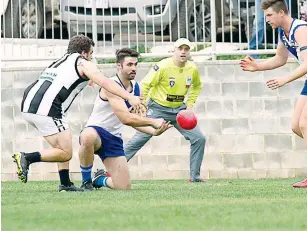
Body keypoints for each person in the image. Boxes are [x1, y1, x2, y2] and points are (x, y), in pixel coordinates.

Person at [240, 0, 307, 188]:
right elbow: (279, 59)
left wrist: (284, 80)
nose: (267, 19)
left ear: (282, 12)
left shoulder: (301, 30)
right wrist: (258, 66)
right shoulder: (283, 32)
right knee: (297, 126)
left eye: (270, 15)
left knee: (306, 124)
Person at [13, 35, 143, 192]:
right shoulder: (82, 62)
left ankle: (65, 184)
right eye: (91, 54)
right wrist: (129, 96)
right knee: (65, 152)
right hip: (48, 108)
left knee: (59, 144)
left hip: (28, 104)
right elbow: (106, 82)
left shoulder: (62, 60)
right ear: (84, 53)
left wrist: (88, 78)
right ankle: (27, 158)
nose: (92, 58)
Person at [78, 48, 172, 191]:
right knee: (87, 136)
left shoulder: (136, 88)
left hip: (114, 138)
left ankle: (99, 180)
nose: (133, 68)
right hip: (96, 132)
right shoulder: (111, 85)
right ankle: (86, 182)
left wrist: (153, 132)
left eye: (135, 64)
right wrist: (153, 122)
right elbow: (126, 119)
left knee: (124, 187)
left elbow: (135, 121)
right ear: (119, 66)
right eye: (129, 64)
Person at [124, 38, 206, 182]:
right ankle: (109, 172)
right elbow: (145, 84)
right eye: (180, 48)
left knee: (199, 138)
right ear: (173, 50)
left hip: (180, 111)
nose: (183, 52)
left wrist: (189, 104)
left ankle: (195, 178)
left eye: (186, 49)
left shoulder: (192, 68)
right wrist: (141, 104)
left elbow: (197, 86)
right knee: (138, 140)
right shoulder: (162, 66)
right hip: (158, 109)